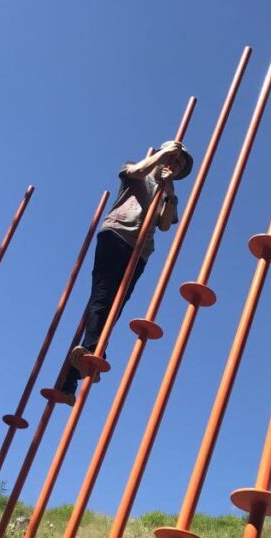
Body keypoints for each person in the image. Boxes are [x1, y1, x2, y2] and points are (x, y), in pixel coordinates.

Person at [58, 140, 193, 402]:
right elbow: (136, 173)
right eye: (173, 158)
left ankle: (71, 377)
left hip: (140, 251)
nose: (174, 165)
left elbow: (165, 225)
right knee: (103, 295)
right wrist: (163, 154)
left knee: (114, 307)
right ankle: (93, 352)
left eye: (179, 163)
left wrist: (171, 194)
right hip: (117, 235)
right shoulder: (136, 168)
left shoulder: (167, 192)